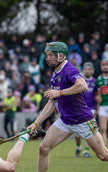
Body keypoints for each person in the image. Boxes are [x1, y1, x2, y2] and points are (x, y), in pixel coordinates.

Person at [27, 42, 108, 172]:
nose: (48, 58)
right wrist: (36, 124)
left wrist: (60, 92)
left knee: (103, 156)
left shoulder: (69, 69)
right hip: (65, 121)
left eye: (51, 55)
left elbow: (83, 85)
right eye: (47, 55)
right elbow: (52, 103)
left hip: (83, 121)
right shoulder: (55, 74)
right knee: (43, 148)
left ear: (60, 55)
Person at [75, 62, 97, 158]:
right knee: (77, 133)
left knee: (88, 130)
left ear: (92, 71)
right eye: (85, 69)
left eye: (89, 69)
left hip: (90, 109)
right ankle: (79, 147)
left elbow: (97, 95)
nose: (87, 71)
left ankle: (86, 151)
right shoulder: (80, 81)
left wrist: (98, 106)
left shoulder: (95, 82)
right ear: (83, 70)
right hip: (79, 108)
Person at [97, 58, 108, 145]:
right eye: (103, 65)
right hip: (103, 106)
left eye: (106, 65)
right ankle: (104, 150)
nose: (105, 67)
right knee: (103, 129)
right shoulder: (99, 79)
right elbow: (98, 95)